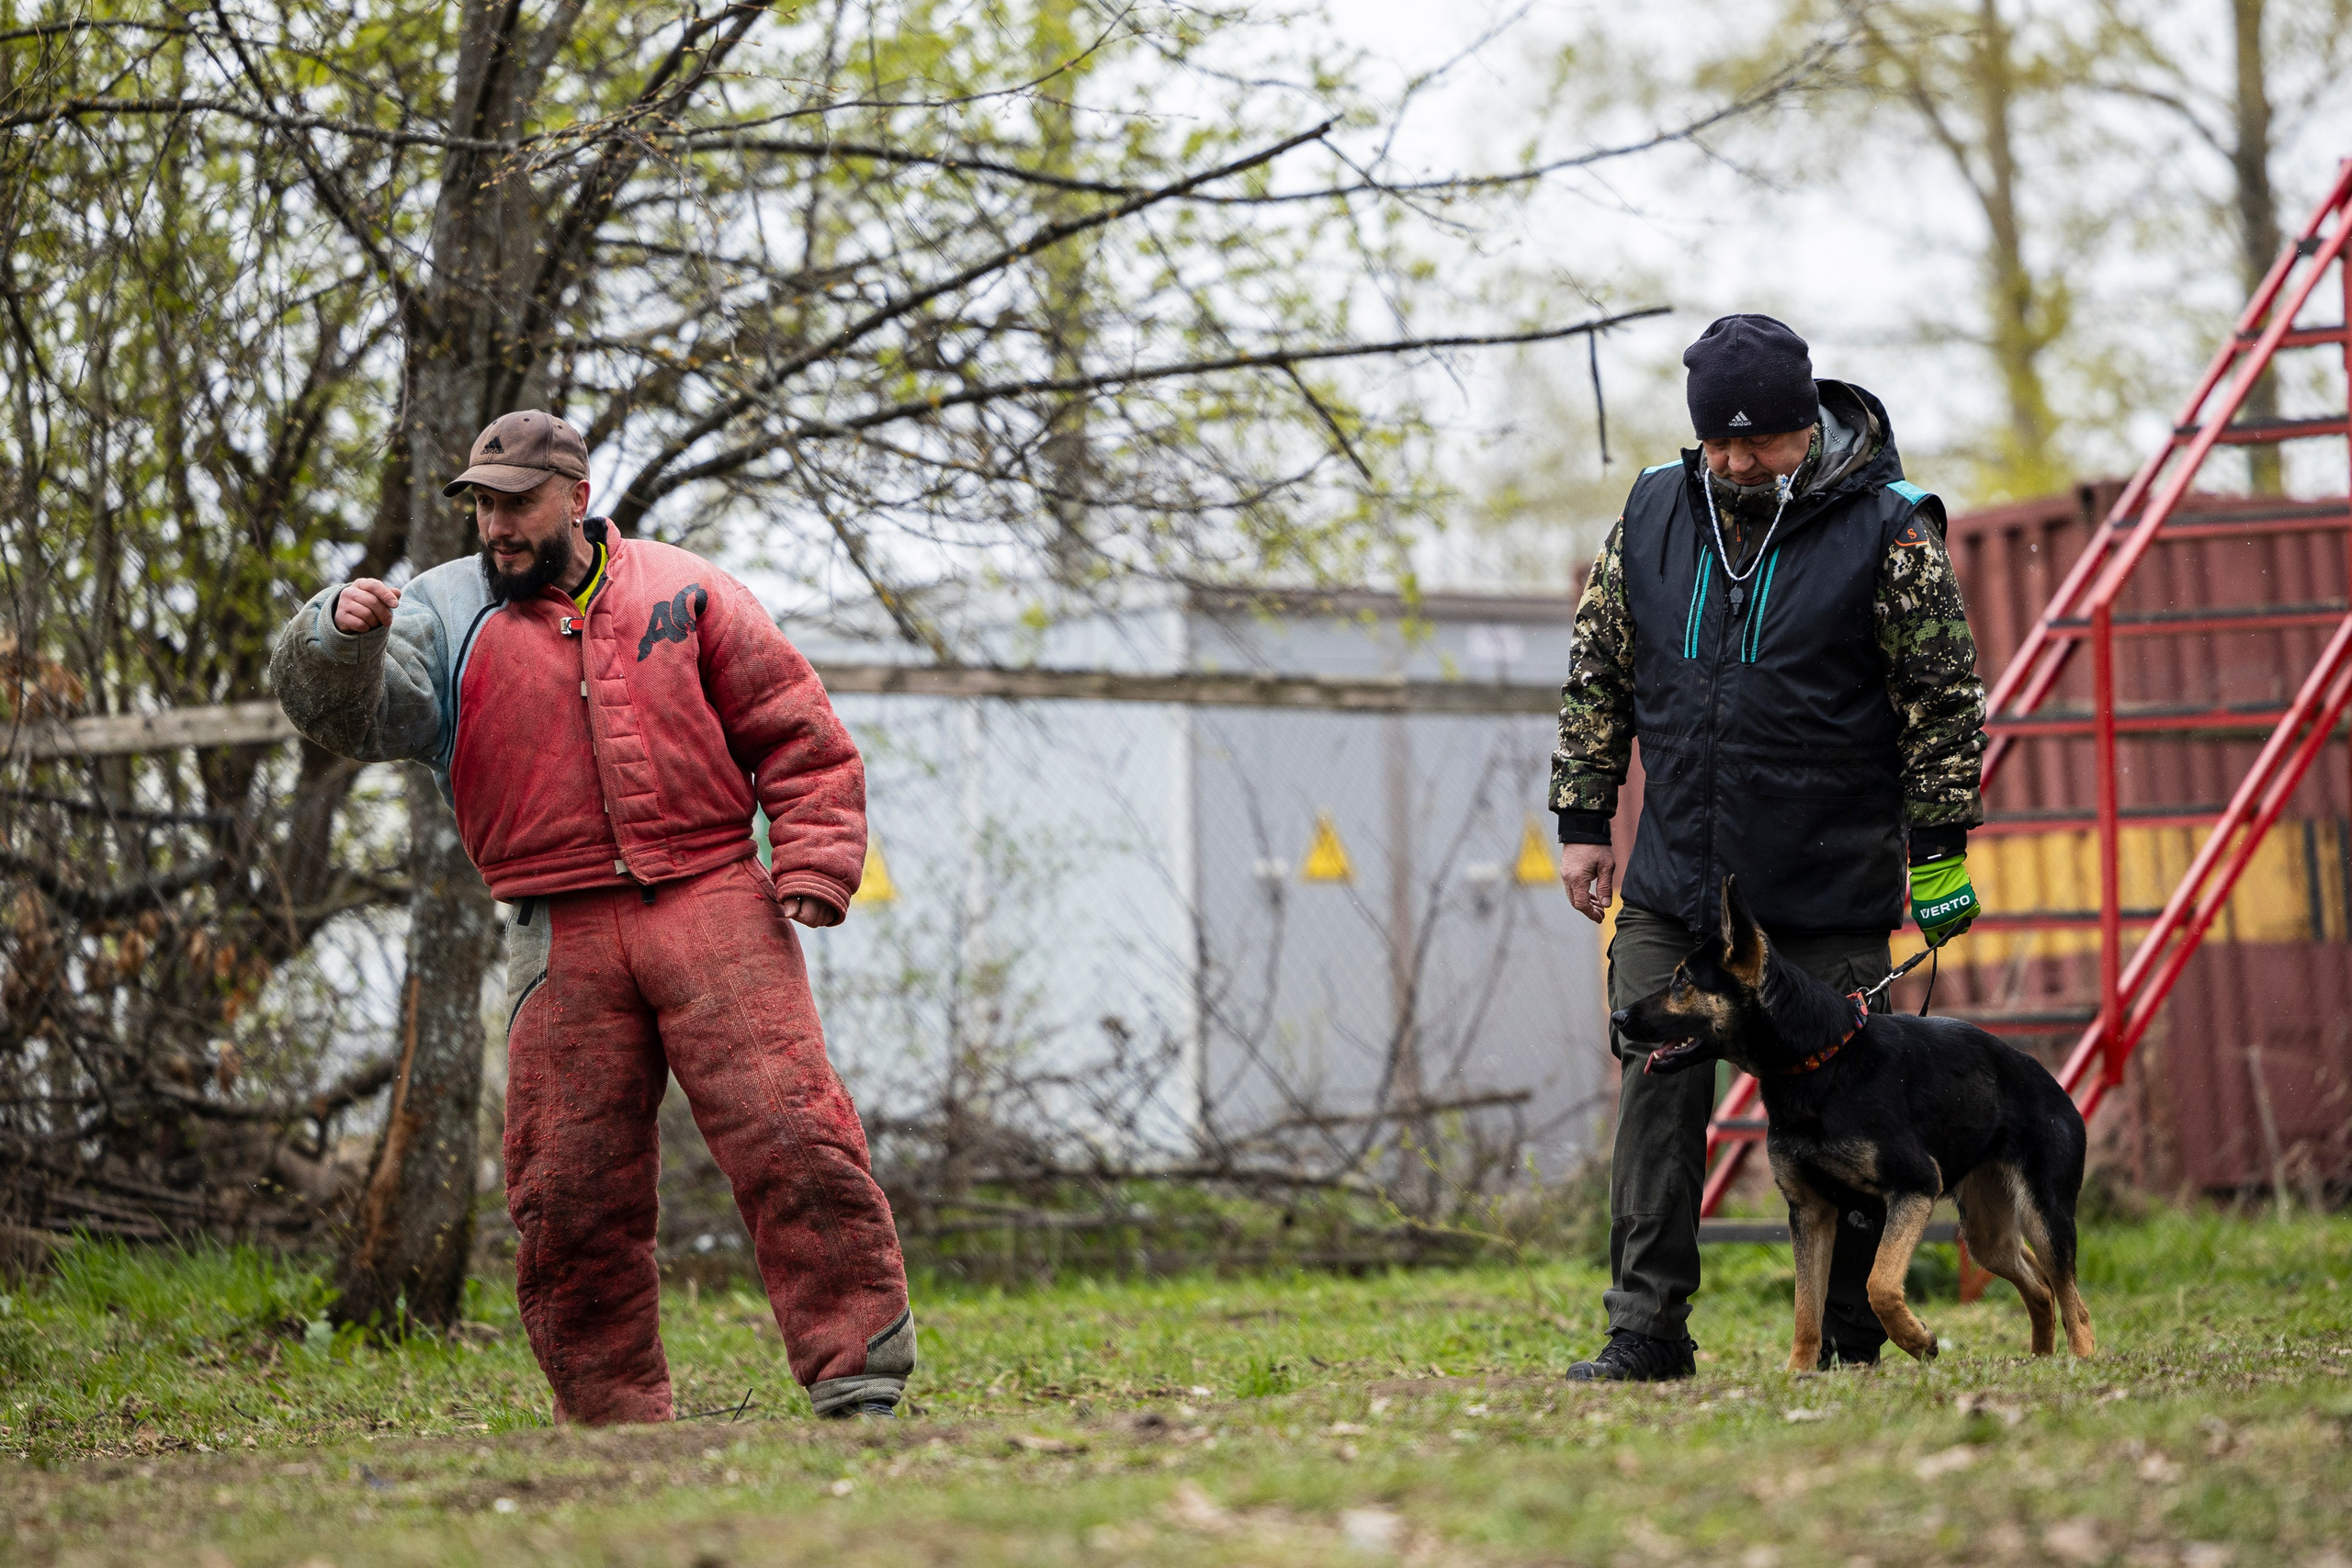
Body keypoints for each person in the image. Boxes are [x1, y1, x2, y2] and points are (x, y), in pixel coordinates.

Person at [273, 411, 914, 1423]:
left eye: (516, 502)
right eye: (481, 504)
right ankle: (615, 1421)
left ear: (576, 496)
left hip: (713, 897)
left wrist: (816, 862)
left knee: (793, 1134)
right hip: (556, 926)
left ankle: (859, 1378)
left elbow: (798, 733)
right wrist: (336, 639)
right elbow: (353, 718)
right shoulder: (442, 613)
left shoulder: (686, 589)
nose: (495, 525)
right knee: (567, 1187)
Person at [1548, 314, 1986, 1381]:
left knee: (1851, 1108)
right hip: (1673, 882)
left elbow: (1942, 703)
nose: (1739, 462)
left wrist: (1935, 854)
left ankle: (1849, 1336)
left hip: (1822, 886)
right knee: (1654, 1086)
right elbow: (1600, 670)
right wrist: (1581, 821)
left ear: (1808, 425)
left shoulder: (1889, 531)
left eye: (1763, 441)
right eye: (1720, 443)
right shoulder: (1652, 509)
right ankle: (1645, 1331)